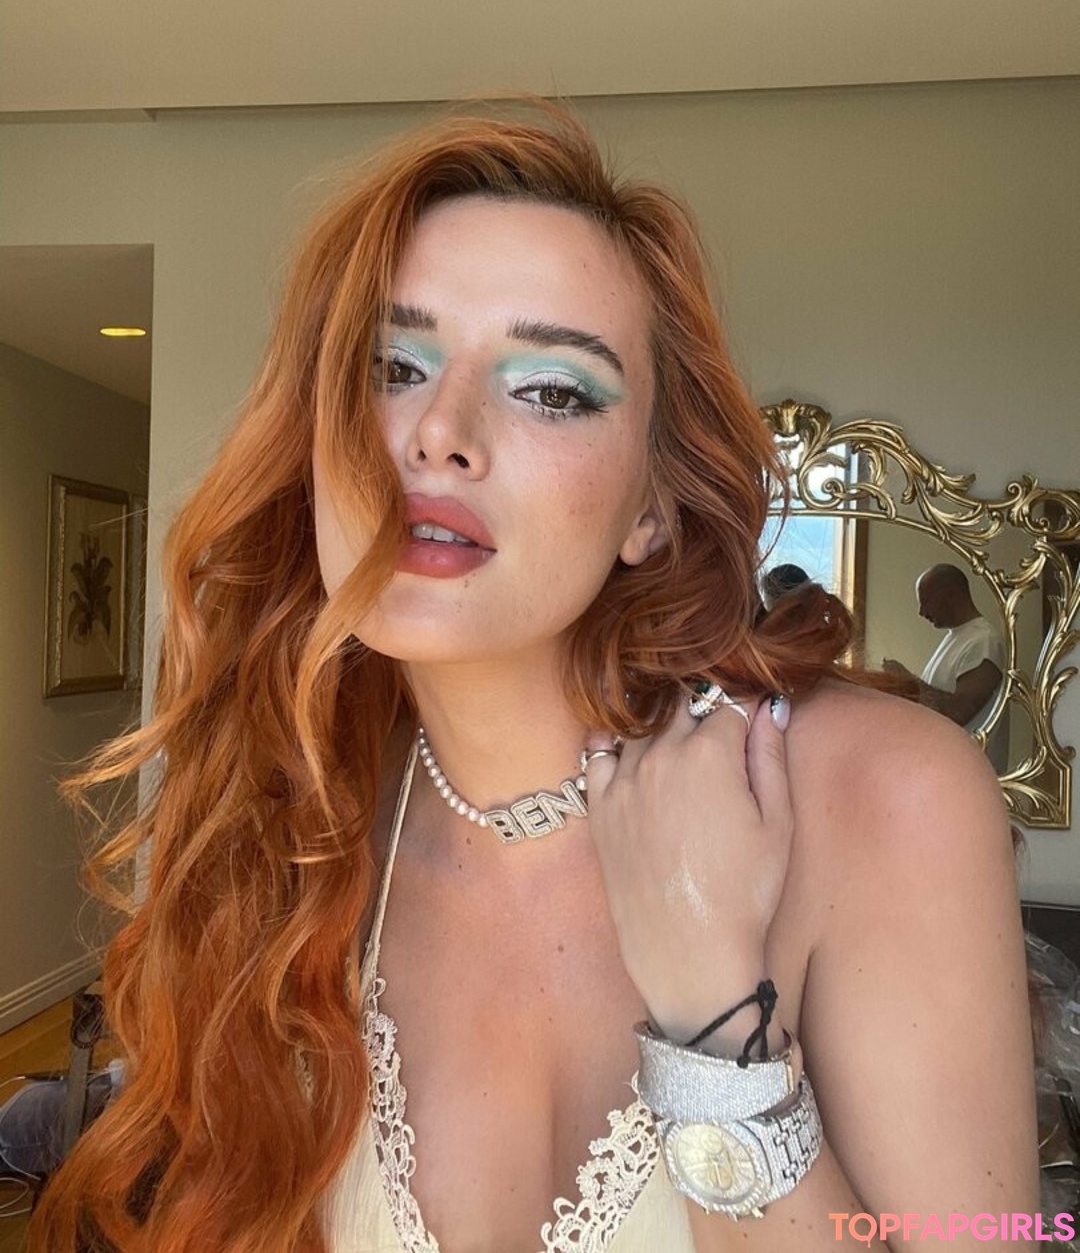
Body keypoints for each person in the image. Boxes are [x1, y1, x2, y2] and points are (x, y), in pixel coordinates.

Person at [33, 103, 1036, 1253]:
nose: (439, 432)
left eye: (552, 388)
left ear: (651, 507)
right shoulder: (283, 823)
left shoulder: (885, 797)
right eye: (392, 366)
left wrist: (716, 1026)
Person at [884, 563, 1009, 773]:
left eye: (926, 601)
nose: (921, 612)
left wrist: (907, 681)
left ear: (951, 594)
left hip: (970, 777)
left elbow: (959, 711)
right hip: (946, 771)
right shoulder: (957, 637)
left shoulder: (984, 641)